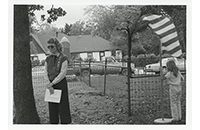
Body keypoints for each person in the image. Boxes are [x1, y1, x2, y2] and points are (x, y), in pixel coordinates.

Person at [44, 38, 71, 124]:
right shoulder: (47, 59)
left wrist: (52, 83)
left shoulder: (63, 58)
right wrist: (48, 84)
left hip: (60, 83)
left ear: (57, 46)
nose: (50, 49)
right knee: (52, 106)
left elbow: (62, 73)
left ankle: (65, 123)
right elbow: (45, 72)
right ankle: (54, 123)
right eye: (48, 47)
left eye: (52, 46)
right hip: (50, 84)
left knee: (63, 105)